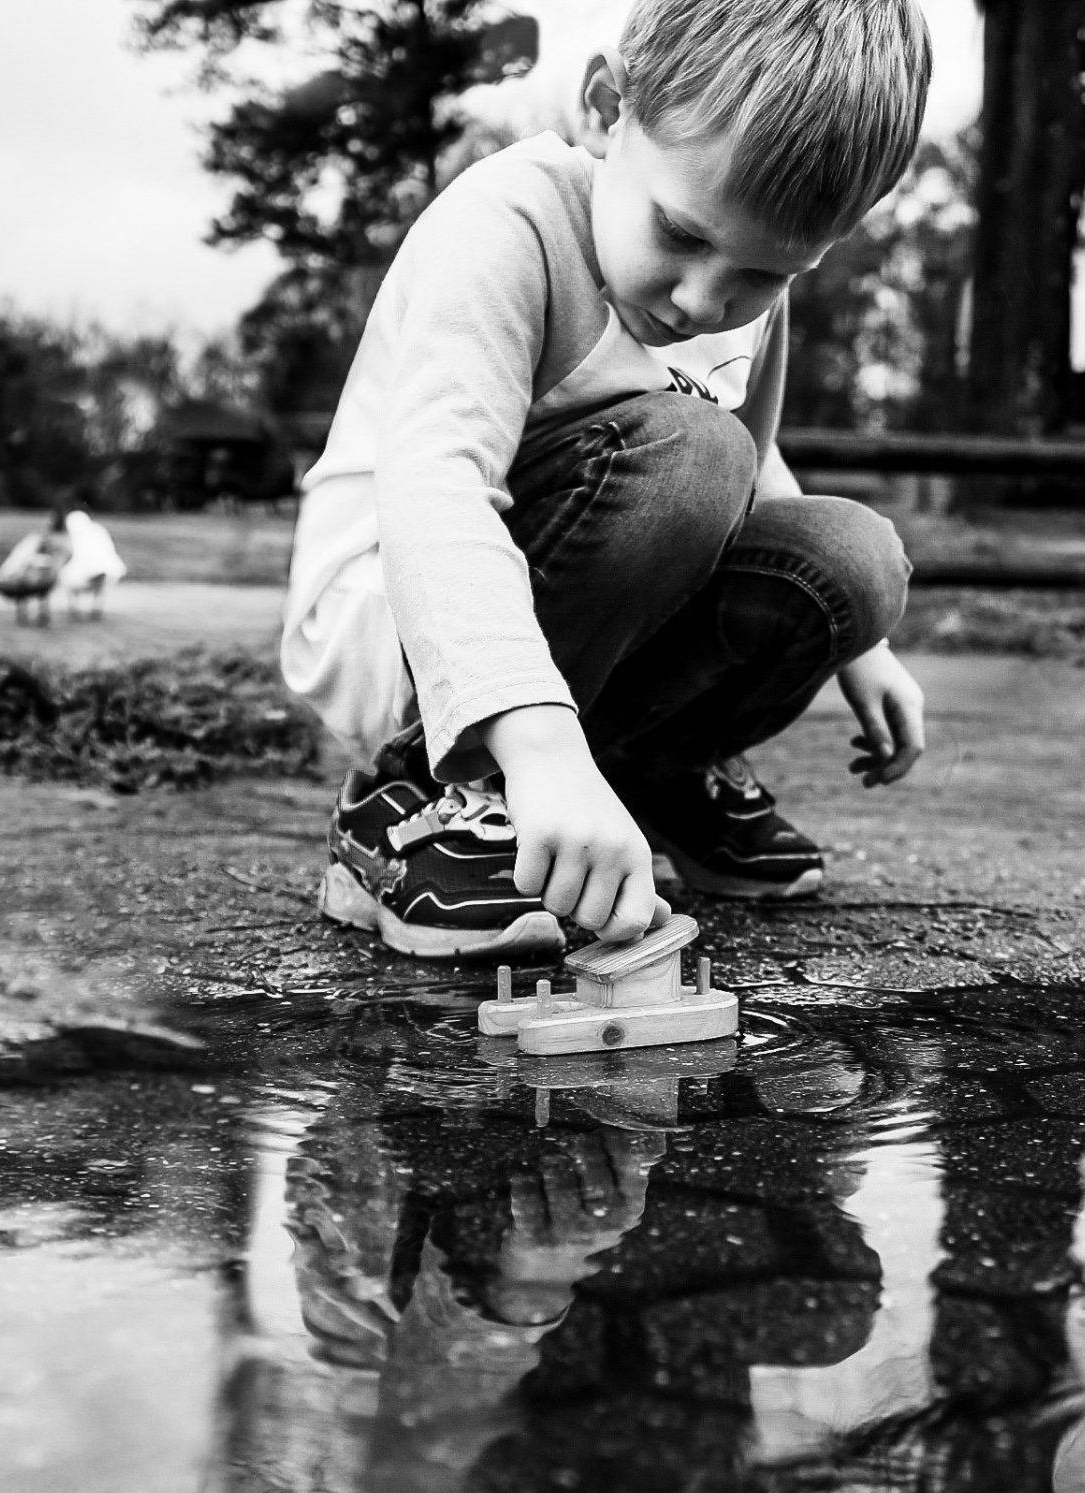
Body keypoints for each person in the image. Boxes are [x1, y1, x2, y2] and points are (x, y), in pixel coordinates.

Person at [281, 0, 935, 960]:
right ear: (604, 107)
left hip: (585, 629)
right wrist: (537, 743)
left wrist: (857, 639)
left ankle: (650, 770)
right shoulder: (508, 224)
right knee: (694, 454)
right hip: (398, 621)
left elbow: (761, 475)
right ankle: (413, 795)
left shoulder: (742, 297)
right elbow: (437, 486)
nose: (704, 299)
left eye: (764, 275)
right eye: (680, 234)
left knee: (853, 558)